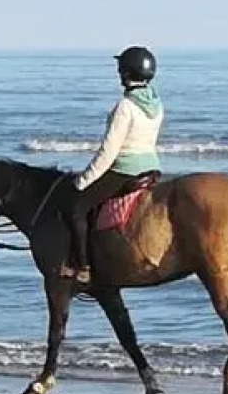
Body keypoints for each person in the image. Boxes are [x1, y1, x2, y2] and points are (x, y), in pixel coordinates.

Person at [62, 46, 164, 284]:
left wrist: (83, 181)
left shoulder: (125, 107)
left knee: (77, 209)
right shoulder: (156, 104)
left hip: (126, 169)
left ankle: (83, 268)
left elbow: (109, 152)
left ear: (125, 72)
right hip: (151, 166)